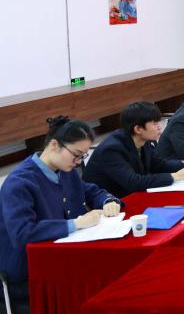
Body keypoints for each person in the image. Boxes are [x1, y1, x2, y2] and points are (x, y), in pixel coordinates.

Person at [0, 117, 122, 296]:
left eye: (82, 156)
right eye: (76, 154)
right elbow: (22, 232)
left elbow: (89, 190)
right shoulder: (19, 183)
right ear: (54, 145)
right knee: (100, 284)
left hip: (62, 257)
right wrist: (76, 223)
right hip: (28, 272)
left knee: (115, 271)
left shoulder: (65, 170)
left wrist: (108, 201)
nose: (78, 162)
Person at [84, 102, 184, 198]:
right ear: (138, 129)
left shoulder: (144, 140)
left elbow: (160, 165)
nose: (160, 127)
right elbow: (133, 182)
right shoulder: (112, 149)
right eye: (155, 124)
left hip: (133, 196)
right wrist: (175, 176)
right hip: (110, 203)